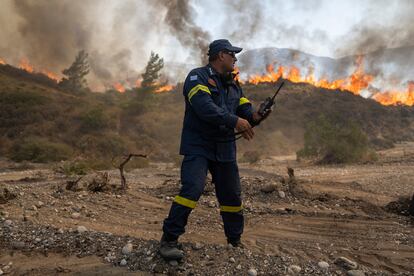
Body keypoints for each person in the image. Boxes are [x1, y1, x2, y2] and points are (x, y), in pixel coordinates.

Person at [159, 39, 270, 260]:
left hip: (225, 148)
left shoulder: (234, 85)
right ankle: (168, 240)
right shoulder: (196, 77)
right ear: (221, 55)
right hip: (198, 146)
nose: (235, 58)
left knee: (231, 196)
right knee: (192, 190)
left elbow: (246, 111)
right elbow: (204, 108)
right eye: (232, 54)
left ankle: (234, 242)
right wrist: (235, 121)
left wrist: (258, 115)